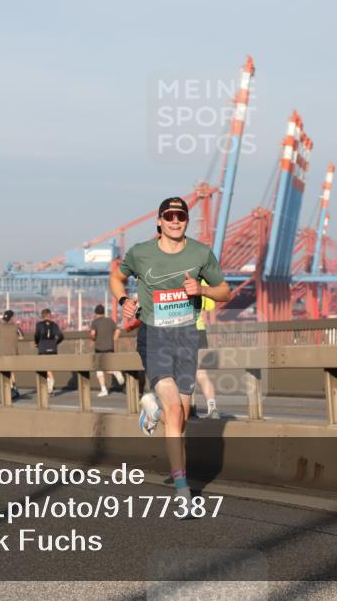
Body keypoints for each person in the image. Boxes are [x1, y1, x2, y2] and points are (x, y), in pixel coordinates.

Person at [110, 196, 230, 503]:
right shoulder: (141, 253)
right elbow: (116, 276)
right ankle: (182, 491)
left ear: (187, 221)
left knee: (181, 416)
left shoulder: (201, 253)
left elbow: (224, 291)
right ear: (159, 221)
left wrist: (202, 289)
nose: (176, 220)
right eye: (169, 215)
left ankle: (153, 407)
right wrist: (124, 301)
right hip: (155, 336)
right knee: (175, 411)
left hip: (187, 336)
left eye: (181, 216)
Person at [193, 280, 220, 418]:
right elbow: (209, 306)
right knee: (202, 374)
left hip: (182, 331)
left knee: (180, 375)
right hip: (200, 331)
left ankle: (187, 410)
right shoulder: (201, 281)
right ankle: (212, 407)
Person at [89, 303, 124, 396]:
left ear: (96, 313)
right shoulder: (110, 321)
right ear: (103, 312)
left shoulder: (95, 322)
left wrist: (92, 339)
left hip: (99, 348)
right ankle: (114, 371)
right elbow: (118, 330)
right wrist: (114, 338)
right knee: (108, 366)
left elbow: (92, 333)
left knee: (99, 369)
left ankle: (104, 389)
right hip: (110, 347)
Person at [34, 309, 64, 396]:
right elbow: (61, 336)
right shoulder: (54, 325)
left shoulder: (39, 325)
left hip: (43, 347)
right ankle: (49, 388)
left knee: (44, 368)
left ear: (42, 316)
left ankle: (50, 386)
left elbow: (37, 335)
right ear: (49, 315)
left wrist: (37, 343)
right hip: (53, 348)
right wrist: (55, 342)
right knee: (49, 368)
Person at [0, 310, 24, 400]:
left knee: (5, 372)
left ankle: (10, 389)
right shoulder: (16, 327)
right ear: (12, 318)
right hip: (13, 352)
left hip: (3, 353)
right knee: (11, 371)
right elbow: (22, 337)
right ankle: (13, 388)